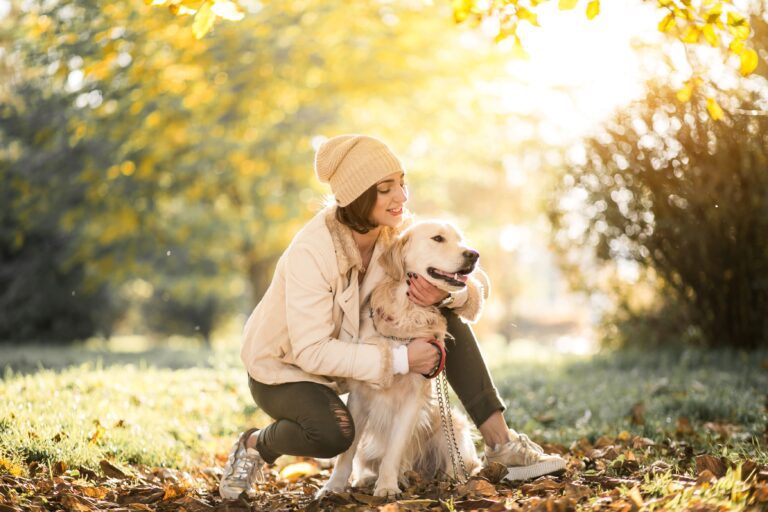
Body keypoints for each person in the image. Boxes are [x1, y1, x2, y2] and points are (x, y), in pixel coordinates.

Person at [218, 135, 566, 500]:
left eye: (402, 183)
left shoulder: (395, 233)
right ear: (357, 197)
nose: (401, 197)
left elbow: (470, 280)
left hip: (350, 363)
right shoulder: (312, 251)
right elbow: (312, 352)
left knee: (447, 317)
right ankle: (256, 444)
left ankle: (502, 445)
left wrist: (447, 292)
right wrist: (401, 359)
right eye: (386, 189)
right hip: (286, 369)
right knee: (334, 431)